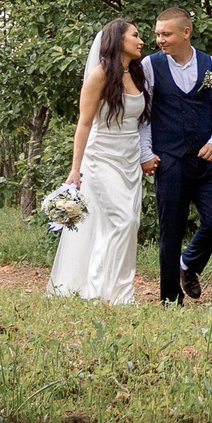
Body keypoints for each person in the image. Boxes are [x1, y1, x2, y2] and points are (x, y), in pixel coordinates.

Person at [46, 17, 147, 304]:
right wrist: (75, 170)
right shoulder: (100, 76)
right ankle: (99, 291)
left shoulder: (136, 74)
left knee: (130, 225)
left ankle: (122, 295)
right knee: (121, 221)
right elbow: (84, 123)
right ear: (118, 40)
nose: (141, 41)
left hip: (129, 161)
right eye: (135, 36)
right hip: (101, 158)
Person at [139, 5, 212, 303]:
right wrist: (145, 153)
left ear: (186, 32)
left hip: (206, 161)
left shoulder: (211, 65)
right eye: (157, 34)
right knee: (171, 230)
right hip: (169, 160)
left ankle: (188, 264)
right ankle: (169, 298)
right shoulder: (149, 66)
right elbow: (143, 115)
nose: (159, 40)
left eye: (166, 34)